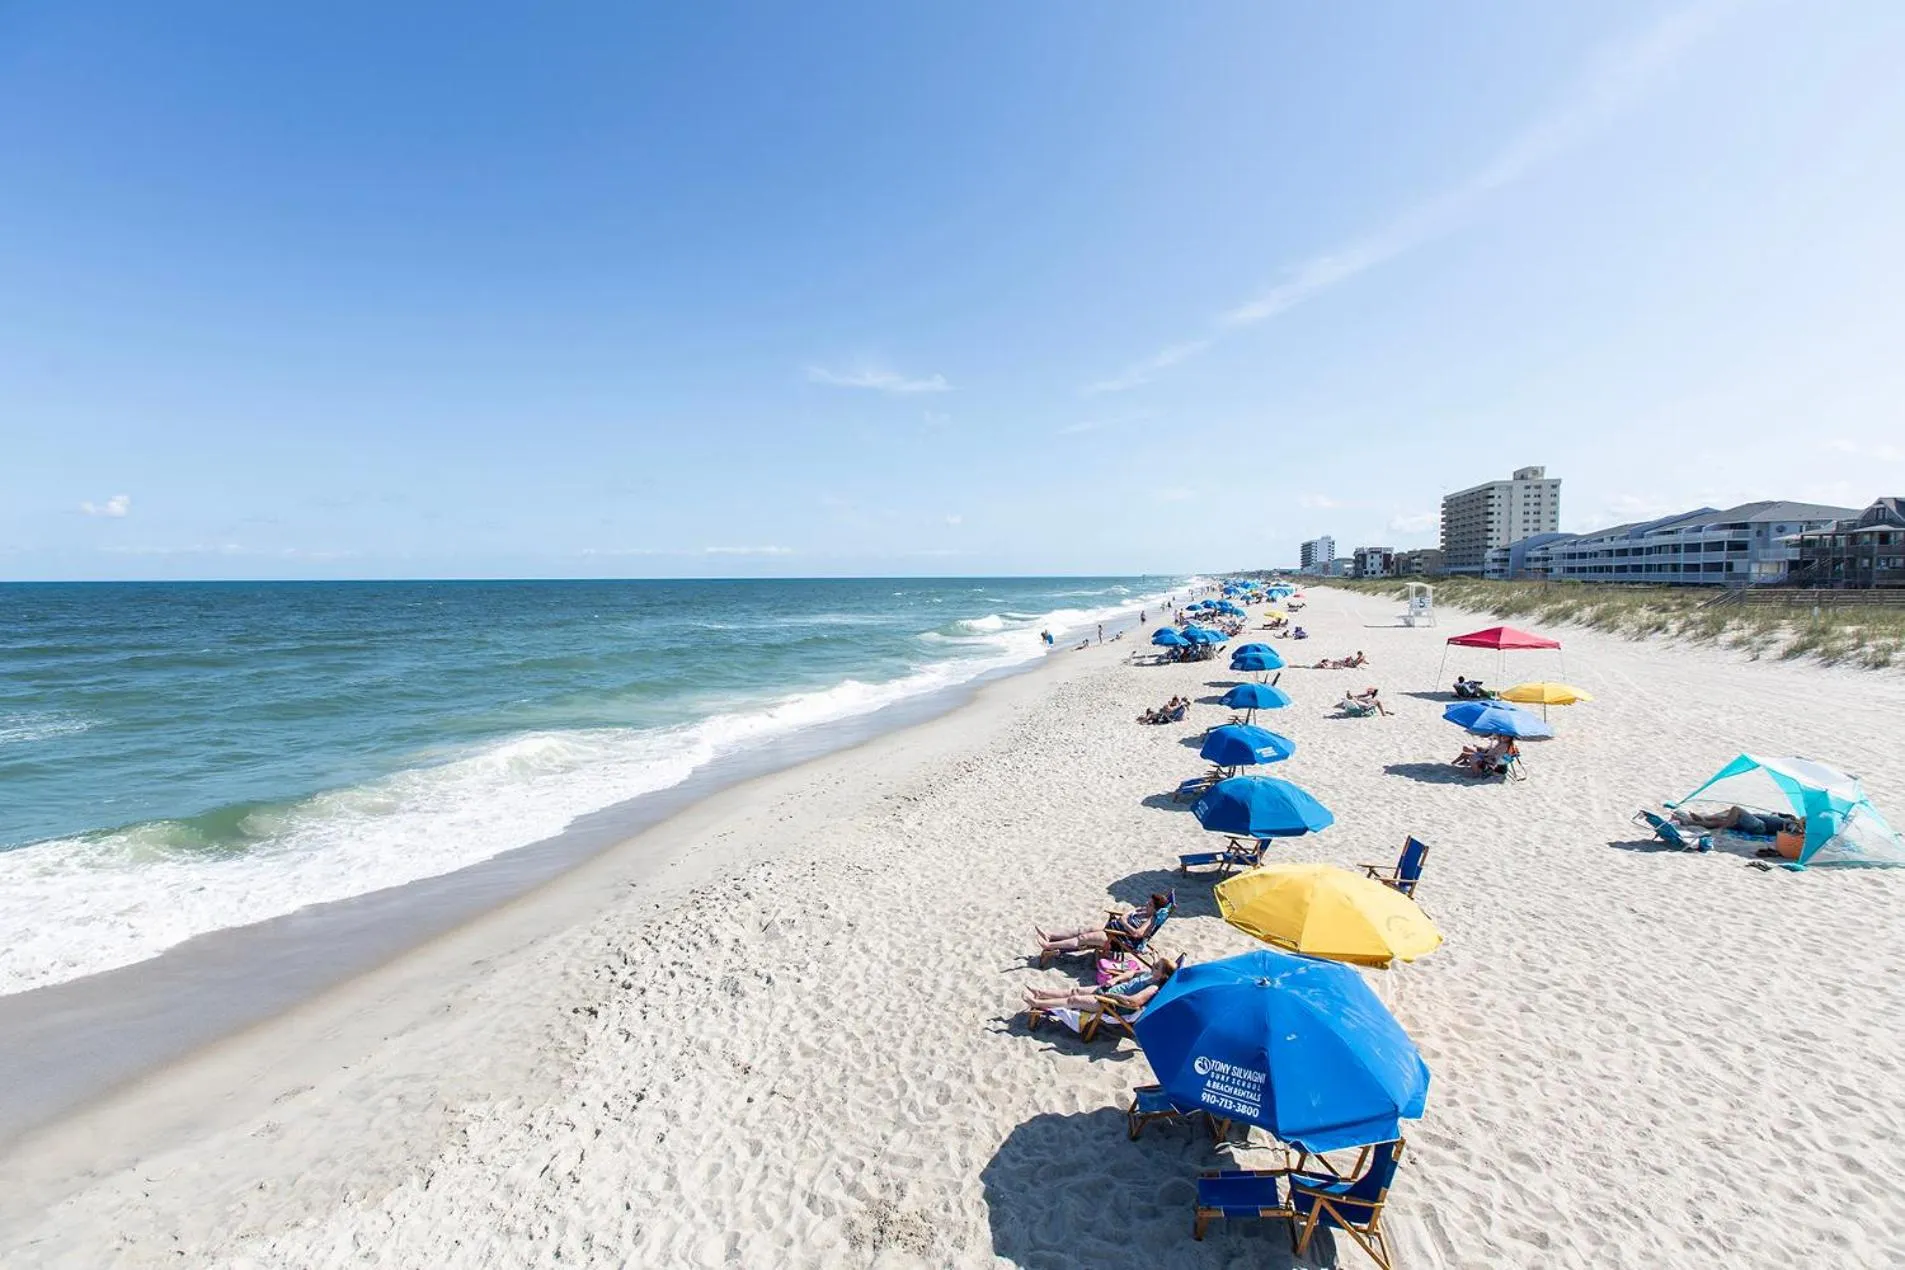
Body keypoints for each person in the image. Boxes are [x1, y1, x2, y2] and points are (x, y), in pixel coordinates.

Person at [1023, 955, 1178, 1013]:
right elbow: (1131, 973)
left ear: (1163, 975)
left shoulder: (1153, 988)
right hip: (1108, 989)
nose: (1153, 966)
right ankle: (1041, 993)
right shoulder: (1148, 974)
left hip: (1110, 1005)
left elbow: (1134, 1002)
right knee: (1075, 990)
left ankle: (1036, 1003)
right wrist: (1115, 980)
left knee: (1074, 1000)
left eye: (1156, 967)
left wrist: (1112, 995)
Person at [1036, 893, 1172, 957]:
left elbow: (1137, 934)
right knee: (1084, 929)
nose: (1146, 904)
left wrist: (1124, 922)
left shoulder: (1150, 921)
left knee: (1084, 938)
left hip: (1119, 939)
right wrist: (1124, 918)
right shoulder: (1145, 910)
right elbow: (1130, 912)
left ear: (1155, 909)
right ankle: (1050, 935)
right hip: (1113, 928)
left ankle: (1049, 946)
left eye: (1149, 904)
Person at [1672, 805, 1801, 836]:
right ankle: (1691, 821)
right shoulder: (1790, 817)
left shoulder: (1793, 825)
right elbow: (1776, 813)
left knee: (1736, 810)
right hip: (1755, 819)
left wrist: (1798, 826)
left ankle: (1720, 828)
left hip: (1760, 827)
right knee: (1728, 814)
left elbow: (1790, 833)